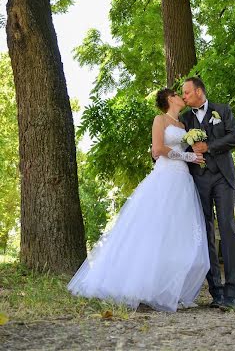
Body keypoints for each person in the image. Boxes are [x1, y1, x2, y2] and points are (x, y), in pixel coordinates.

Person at [67, 88, 210, 312]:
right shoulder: (160, 119)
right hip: (164, 177)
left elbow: (187, 149)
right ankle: (140, 287)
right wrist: (187, 155)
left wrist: (196, 154)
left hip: (183, 179)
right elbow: (157, 150)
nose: (181, 97)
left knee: (176, 234)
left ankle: (169, 290)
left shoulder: (183, 126)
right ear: (169, 99)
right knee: (153, 231)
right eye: (176, 94)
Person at [181, 77, 235, 310]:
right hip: (198, 179)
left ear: (198, 91)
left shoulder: (222, 110)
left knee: (227, 228)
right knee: (204, 233)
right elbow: (178, 145)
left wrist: (209, 147)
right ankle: (216, 292)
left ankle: (233, 294)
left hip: (223, 178)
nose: (184, 97)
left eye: (186, 93)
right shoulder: (184, 119)